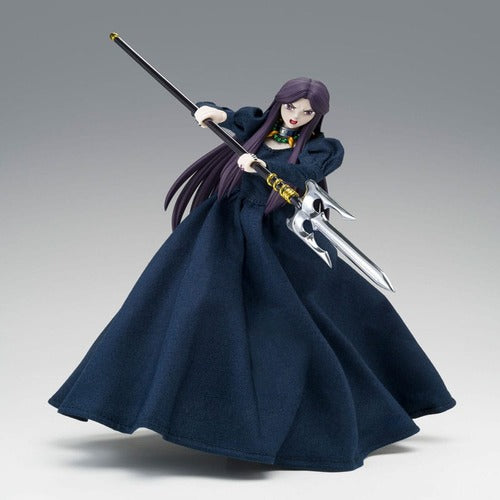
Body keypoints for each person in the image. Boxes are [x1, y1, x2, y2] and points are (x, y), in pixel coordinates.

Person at [48, 77, 456, 472]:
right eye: (291, 107)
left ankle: (361, 401)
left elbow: (304, 172)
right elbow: (230, 117)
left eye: (306, 112)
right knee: (192, 303)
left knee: (313, 313)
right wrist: (212, 113)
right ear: (280, 103)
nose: (295, 116)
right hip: (223, 230)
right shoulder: (259, 125)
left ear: (317, 116)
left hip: (279, 236)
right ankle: (176, 402)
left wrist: (261, 166)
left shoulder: (322, 148)